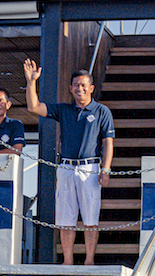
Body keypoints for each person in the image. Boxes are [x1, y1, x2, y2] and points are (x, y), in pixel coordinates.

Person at [24, 60, 114, 265]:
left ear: (91, 88)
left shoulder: (102, 111)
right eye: (76, 85)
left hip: (90, 167)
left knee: (91, 219)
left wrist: (106, 169)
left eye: (84, 85)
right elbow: (34, 107)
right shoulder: (63, 110)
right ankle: (67, 261)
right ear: (71, 88)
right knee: (66, 219)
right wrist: (31, 82)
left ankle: (89, 261)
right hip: (66, 166)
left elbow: (108, 142)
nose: (80, 88)